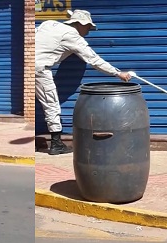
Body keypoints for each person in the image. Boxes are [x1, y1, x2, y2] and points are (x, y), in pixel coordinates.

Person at [35, 9, 132, 155]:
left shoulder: (49, 24)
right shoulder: (73, 36)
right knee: (52, 105)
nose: (88, 31)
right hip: (39, 70)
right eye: (88, 27)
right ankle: (56, 144)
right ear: (80, 24)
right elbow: (94, 60)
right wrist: (117, 73)